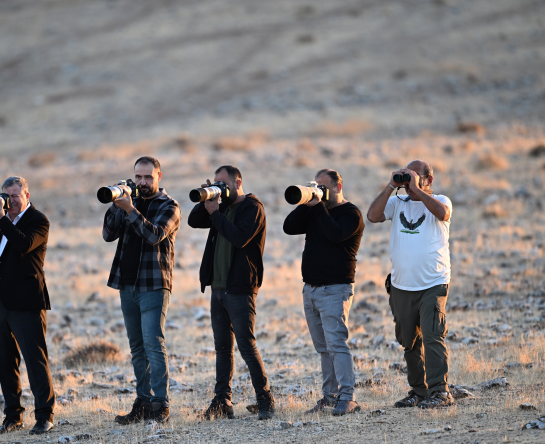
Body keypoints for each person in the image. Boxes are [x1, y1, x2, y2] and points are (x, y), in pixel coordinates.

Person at [0, 176, 55, 435]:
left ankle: (44, 416)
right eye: (7, 195)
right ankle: (13, 417)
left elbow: (23, 244)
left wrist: (1, 217)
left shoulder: (38, 221)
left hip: (27, 303)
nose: (11, 200)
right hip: (0, 302)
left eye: (16, 195)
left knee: (35, 361)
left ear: (27, 195)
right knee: (5, 361)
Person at [188, 165, 275, 420]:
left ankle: (265, 400)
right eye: (216, 183)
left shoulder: (253, 208)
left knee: (246, 345)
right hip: (218, 288)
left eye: (223, 183)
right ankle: (222, 401)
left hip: (240, 287)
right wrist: (207, 197)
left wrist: (215, 213)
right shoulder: (221, 206)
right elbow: (194, 221)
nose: (220, 188)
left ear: (238, 183)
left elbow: (240, 238)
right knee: (222, 348)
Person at [366, 160, 454, 409]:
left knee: (432, 336)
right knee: (410, 341)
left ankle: (441, 391)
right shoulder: (396, 202)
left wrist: (418, 189)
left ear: (429, 179)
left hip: (433, 283)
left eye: (415, 177)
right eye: (406, 177)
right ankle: (419, 391)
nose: (408, 183)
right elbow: (372, 216)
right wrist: (389, 186)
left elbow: (443, 214)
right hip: (402, 285)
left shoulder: (441, 200)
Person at [102, 156, 181, 424]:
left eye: (148, 177)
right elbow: (107, 234)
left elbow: (154, 235)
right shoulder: (128, 201)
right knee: (137, 348)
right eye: (138, 177)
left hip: (153, 286)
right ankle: (143, 403)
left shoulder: (169, 205)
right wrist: (117, 205)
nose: (142, 182)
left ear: (160, 176)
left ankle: (161, 405)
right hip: (127, 284)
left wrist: (131, 210)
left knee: (153, 345)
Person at [283, 169, 365, 415]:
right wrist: (307, 201)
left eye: (323, 187)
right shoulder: (314, 210)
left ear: (338, 187)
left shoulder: (351, 214)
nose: (319, 190)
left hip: (334, 289)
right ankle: (329, 397)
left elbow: (335, 234)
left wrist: (318, 206)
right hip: (310, 290)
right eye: (316, 186)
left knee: (337, 344)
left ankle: (347, 397)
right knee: (323, 348)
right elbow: (288, 226)